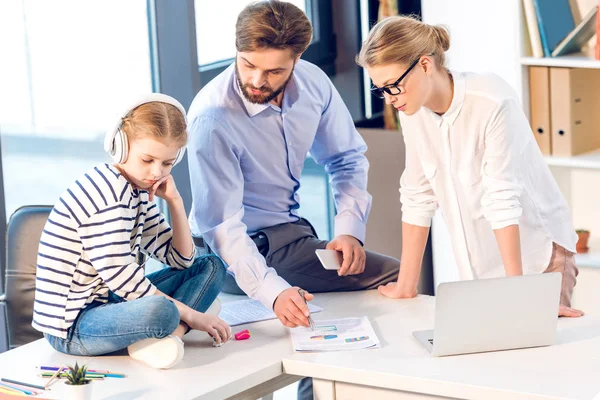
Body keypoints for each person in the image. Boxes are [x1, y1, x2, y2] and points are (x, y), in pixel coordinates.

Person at [187, 0, 400, 328]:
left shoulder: (313, 83)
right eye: (247, 65)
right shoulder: (212, 117)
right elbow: (222, 227)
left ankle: (318, 374)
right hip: (228, 251)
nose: (257, 80)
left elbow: (345, 158)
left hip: (287, 235)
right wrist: (271, 291)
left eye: (274, 71)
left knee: (382, 278)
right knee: (394, 275)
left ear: (297, 59)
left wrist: (349, 231)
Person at [357, 15, 583, 318]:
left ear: (424, 65)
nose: (389, 99)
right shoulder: (413, 111)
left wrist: (517, 294)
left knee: (535, 360)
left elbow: (501, 197)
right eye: (380, 89)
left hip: (536, 257)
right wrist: (406, 285)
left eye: (393, 86)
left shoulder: (491, 101)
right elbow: (418, 194)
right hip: (482, 267)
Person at [32, 93, 231, 370]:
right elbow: (124, 281)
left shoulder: (137, 189)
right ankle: (171, 328)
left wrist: (175, 201)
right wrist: (195, 317)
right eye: (147, 159)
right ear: (121, 146)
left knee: (209, 265)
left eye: (167, 163)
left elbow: (181, 260)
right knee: (163, 310)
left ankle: (171, 335)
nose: (156, 172)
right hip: (73, 326)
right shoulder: (108, 194)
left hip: (110, 302)